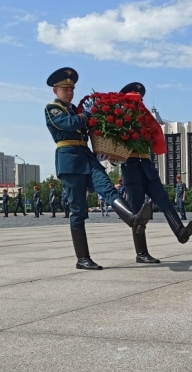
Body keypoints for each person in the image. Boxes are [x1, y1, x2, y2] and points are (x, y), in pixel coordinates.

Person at [45, 67, 151, 269]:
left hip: (87, 158)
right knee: (78, 210)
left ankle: (133, 219)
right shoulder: (53, 109)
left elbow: (88, 126)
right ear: (55, 90)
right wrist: (87, 115)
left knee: (108, 188)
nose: (69, 92)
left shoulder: (74, 109)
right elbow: (68, 124)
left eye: (72, 89)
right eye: (65, 89)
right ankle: (82, 258)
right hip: (70, 162)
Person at [117, 81, 192, 264]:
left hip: (146, 165)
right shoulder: (120, 120)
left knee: (164, 200)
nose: (139, 102)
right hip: (131, 167)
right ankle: (141, 253)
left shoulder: (144, 119)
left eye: (141, 99)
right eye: (135, 99)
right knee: (138, 212)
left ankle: (180, 232)